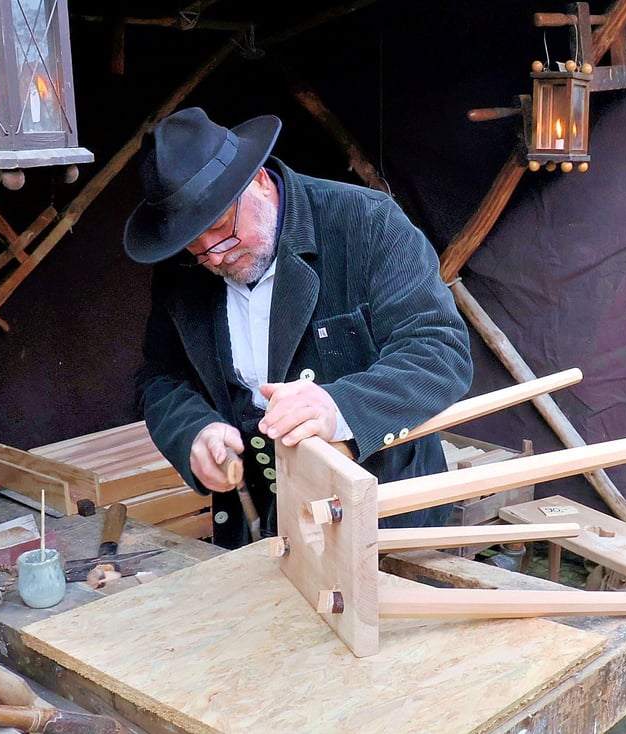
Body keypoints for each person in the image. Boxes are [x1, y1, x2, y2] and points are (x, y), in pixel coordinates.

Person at [124, 107, 473, 549]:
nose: (213, 257)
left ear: (259, 182)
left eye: (220, 229)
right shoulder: (184, 270)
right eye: (195, 246)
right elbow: (160, 377)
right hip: (259, 528)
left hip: (384, 517)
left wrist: (338, 406)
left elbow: (440, 350)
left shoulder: (366, 223)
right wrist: (192, 430)